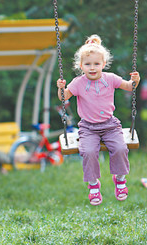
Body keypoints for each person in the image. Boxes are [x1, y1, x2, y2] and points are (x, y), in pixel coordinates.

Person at [56, 34, 140, 206]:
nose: (92, 68)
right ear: (81, 66)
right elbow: (64, 97)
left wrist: (135, 81)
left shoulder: (110, 79)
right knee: (87, 152)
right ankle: (94, 185)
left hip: (110, 125)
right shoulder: (78, 83)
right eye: (88, 64)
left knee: (119, 148)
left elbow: (128, 86)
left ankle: (120, 179)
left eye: (96, 64)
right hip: (88, 127)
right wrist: (61, 88)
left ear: (103, 64)